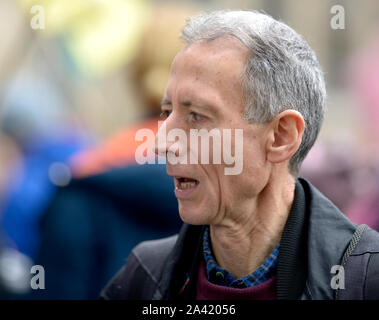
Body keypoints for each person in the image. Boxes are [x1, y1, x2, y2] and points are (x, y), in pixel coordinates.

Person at [101, 10, 379, 300]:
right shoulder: (144, 277)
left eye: (196, 116)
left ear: (282, 136)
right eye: (168, 112)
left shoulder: (364, 281)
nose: (160, 144)